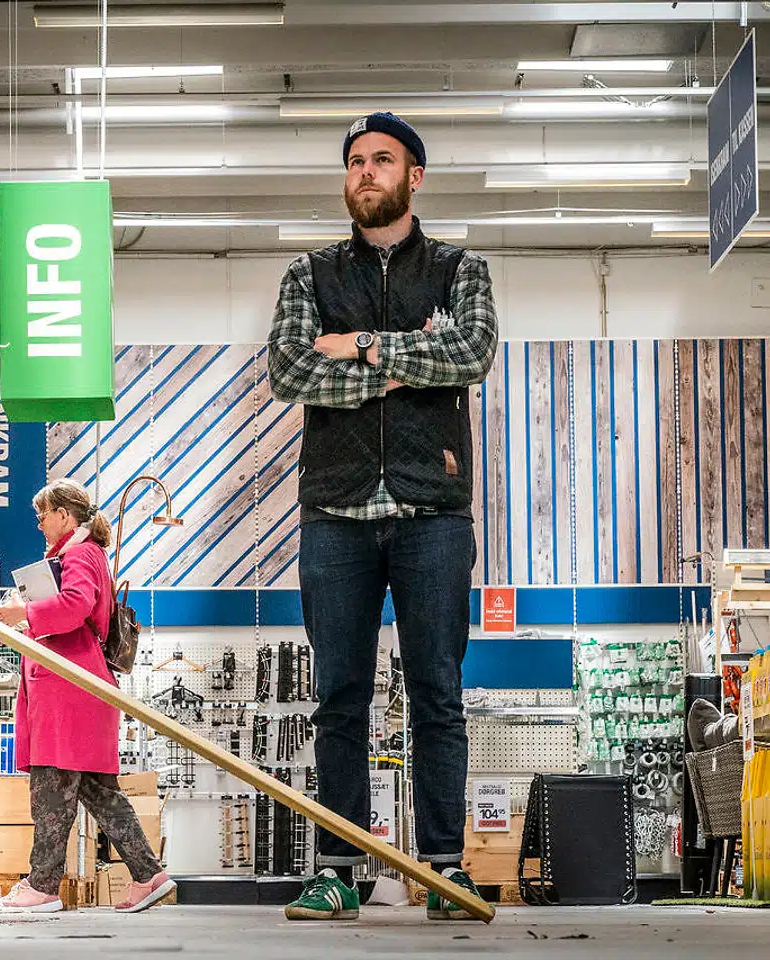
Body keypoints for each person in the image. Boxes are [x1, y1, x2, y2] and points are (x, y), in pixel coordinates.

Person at [266, 112, 499, 922]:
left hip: (434, 511)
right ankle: (338, 871)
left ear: (414, 176)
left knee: (439, 695)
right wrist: (403, 363)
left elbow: (469, 355)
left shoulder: (462, 270)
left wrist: (359, 344)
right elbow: (290, 374)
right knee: (338, 698)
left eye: (382, 160)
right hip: (334, 513)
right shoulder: (307, 275)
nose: (366, 171)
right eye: (356, 161)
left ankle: (442, 871)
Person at [0, 479, 175, 914]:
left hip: (68, 691)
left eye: (43, 515)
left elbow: (76, 604)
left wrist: (25, 613)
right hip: (77, 686)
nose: (38, 524)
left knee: (52, 791)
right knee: (99, 793)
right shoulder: (81, 554)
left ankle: (42, 887)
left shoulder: (79, 554)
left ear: (64, 516)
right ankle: (149, 875)